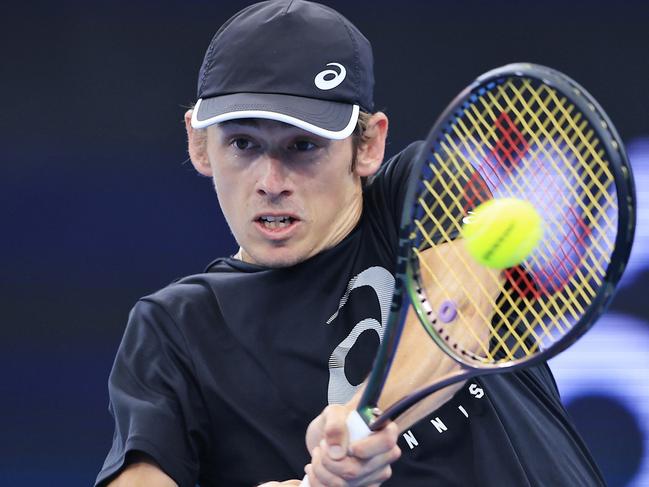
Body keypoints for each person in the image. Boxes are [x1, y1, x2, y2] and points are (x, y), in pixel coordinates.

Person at [96, 1, 606, 486]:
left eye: (304, 146)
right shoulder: (173, 330)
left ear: (369, 145)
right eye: (243, 143)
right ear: (199, 143)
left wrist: (361, 419)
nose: (271, 180)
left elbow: (458, 312)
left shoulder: (424, 186)